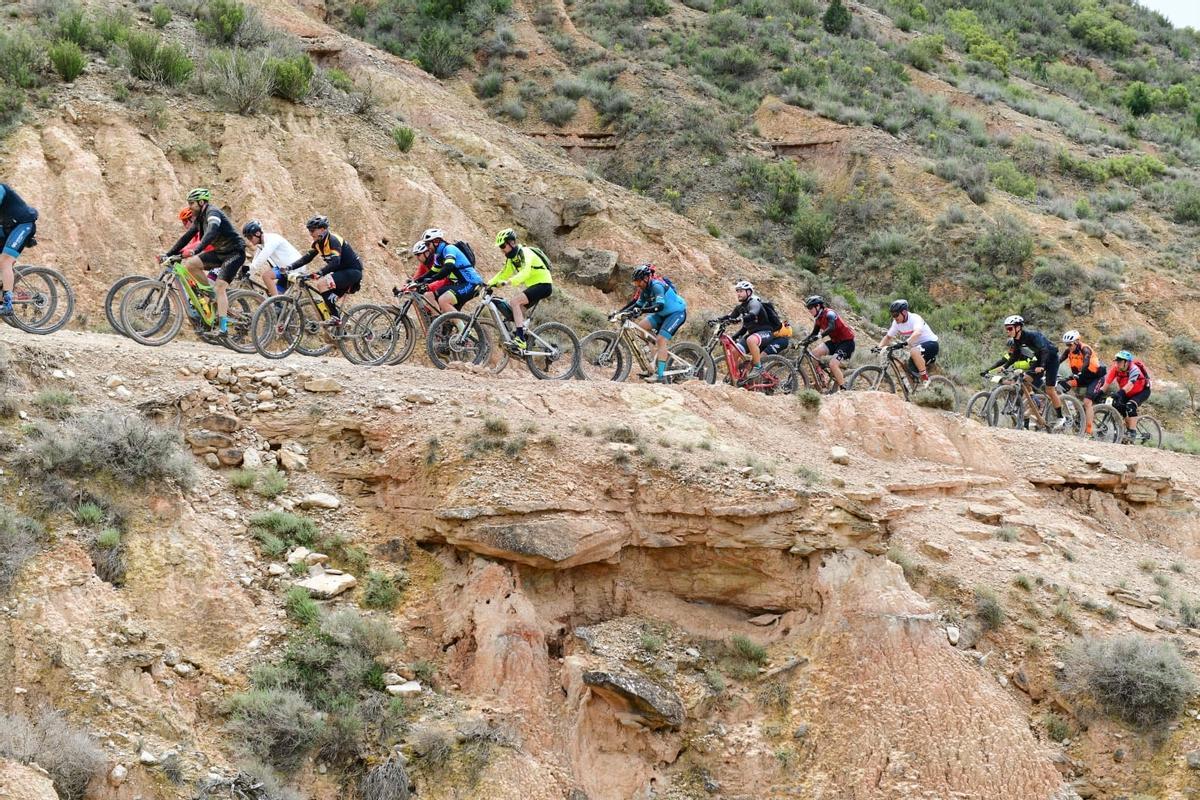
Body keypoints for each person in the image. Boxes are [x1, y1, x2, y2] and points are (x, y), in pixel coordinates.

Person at [161, 188, 246, 335]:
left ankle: (223, 328)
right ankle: (210, 295)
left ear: (201, 202)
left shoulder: (213, 213)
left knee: (220, 287)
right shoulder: (200, 217)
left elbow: (211, 232)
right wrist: (169, 253)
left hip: (234, 253)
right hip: (220, 252)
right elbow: (186, 237)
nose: (190, 207)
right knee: (191, 265)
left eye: (192, 203)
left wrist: (196, 250)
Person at [980, 315, 1066, 428]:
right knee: (1024, 380)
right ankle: (1033, 405)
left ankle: (1061, 417)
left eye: (1010, 328)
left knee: (1050, 390)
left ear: (1018, 327)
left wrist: (1042, 366)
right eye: (1006, 328)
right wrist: (1005, 367)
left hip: (1051, 358)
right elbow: (1014, 356)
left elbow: (1044, 350)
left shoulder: (1032, 336)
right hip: (1040, 358)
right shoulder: (1017, 340)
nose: (1007, 331)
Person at [612, 264, 687, 383]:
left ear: (646, 278)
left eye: (638, 282)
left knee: (661, 339)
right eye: (635, 282)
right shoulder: (644, 290)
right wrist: (619, 313)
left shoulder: (657, 286)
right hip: (662, 314)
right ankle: (653, 361)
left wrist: (642, 310)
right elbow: (636, 305)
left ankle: (660, 375)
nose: (637, 285)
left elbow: (659, 306)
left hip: (676, 313)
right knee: (641, 328)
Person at [285, 215, 363, 321]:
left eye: (312, 230)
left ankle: (336, 318)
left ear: (322, 229)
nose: (310, 233)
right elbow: (306, 259)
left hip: (352, 272)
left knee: (322, 284)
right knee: (327, 303)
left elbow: (335, 262)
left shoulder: (333, 241)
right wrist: (289, 267)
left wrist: (319, 273)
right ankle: (339, 330)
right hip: (341, 273)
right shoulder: (319, 243)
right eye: (309, 230)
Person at [488, 228, 552, 352]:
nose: (501, 250)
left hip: (544, 284)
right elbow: (503, 273)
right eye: (500, 247)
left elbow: (525, 272)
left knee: (515, 301)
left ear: (511, 243)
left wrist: (509, 282)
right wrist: (488, 284)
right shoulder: (512, 258)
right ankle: (525, 337)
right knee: (516, 311)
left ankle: (521, 339)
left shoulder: (525, 252)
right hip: (534, 286)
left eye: (503, 246)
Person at [716, 280, 790, 383]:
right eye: (737, 291)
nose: (738, 293)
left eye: (741, 291)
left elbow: (753, 312)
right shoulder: (740, 307)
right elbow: (729, 317)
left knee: (751, 340)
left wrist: (741, 319)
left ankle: (758, 367)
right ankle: (735, 377)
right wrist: (717, 320)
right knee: (734, 350)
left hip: (765, 332)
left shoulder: (754, 303)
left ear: (749, 292)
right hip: (753, 334)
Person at [416, 228, 483, 313]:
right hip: (460, 284)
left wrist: (431, 280)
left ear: (436, 241)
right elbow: (433, 272)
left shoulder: (449, 249)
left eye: (428, 244)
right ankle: (439, 322)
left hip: (471, 283)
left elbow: (448, 267)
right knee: (429, 295)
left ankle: (462, 326)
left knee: (443, 300)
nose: (427, 248)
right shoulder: (439, 255)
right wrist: (417, 281)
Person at [877, 299, 937, 388]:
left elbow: (917, 333)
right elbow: (888, 337)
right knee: (907, 369)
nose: (894, 317)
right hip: (917, 348)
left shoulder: (915, 318)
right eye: (892, 315)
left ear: (904, 312)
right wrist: (878, 347)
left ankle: (925, 378)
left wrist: (906, 343)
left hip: (931, 344)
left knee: (913, 350)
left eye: (896, 315)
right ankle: (914, 393)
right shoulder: (896, 323)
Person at [1057, 330, 1106, 436]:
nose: (1069, 347)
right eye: (1067, 345)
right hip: (1082, 377)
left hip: (1095, 378)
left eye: (1070, 344)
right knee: (1061, 386)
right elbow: (1058, 361)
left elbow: (1086, 361)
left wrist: (1078, 372)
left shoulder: (1085, 349)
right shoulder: (1068, 351)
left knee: (1088, 402)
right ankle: (1075, 411)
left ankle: (1088, 430)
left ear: (1077, 342)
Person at [0, 183, 39, 317]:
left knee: (4, 262)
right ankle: (3, 293)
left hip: (23, 224)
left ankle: (8, 305)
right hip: (7, 227)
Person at [801, 294, 854, 391]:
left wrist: (820, 336)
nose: (809, 310)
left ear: (818, 306)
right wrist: (802, 342)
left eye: (810, 307)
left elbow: (831, 327)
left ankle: (844, 389)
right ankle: (821, 381)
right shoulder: (818, 319)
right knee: (814, 354)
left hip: (847, 342)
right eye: (808, 308)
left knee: (832, 364)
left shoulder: (830, 313)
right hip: (835, 342)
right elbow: (814, 334)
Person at [1098, 350, 1151, 441]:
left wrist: (1119, 393)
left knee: (1130, 406)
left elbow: (1130, 384)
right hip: (1127, 392)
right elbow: (1106, 383)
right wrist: (1099, 393)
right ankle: (1128, 429)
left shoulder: (1134, 369)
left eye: (1120, 361)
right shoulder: (1115, 369)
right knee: (1117, 405)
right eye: (1116, 361)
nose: (1117, 363)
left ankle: (1132, 432)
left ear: (1126, 362)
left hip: (1142, 391)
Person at [243, 220, 302, 297]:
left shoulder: (271, 240)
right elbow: (255, 262)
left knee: (266, 276)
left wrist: (249, 271)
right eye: (247, 237)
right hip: (284, 269)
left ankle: (276, 301)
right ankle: (279, 304)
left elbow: (261, 260)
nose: (249, 240)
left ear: (257, 233)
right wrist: (249, 273)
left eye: (250, 237)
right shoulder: (262, 245)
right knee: (274, 297)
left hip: (294, 267)